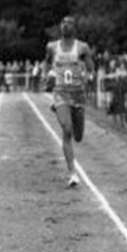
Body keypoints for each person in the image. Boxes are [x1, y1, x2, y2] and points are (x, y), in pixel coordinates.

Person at [43, 15, 94, 187]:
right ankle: (72, 173)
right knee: (67, 129)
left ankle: (68, 111)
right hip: (61, 93)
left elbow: (91, 68)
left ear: (74, 27)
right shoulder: (52, 47)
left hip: (78, 95)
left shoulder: (82, 47)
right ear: (60, 27)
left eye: (69, 23)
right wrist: (47, 75)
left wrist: (88, 76)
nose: (65, 25)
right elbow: (46, 63)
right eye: (63, 23)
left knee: (78, 136)